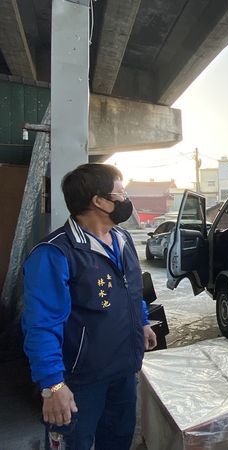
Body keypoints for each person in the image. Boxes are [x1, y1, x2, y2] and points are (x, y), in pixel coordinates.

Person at [21, 163, 157, 450]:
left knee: (118, 440)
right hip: (79, 382)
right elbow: (41, 325)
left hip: (123, 370)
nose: (126, 199)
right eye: (121, 193)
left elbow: (133, 288)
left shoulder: (123, 238)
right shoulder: (55, 253)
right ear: (99, 201)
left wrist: (142, 321)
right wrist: (53, 385)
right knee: (75, 444)